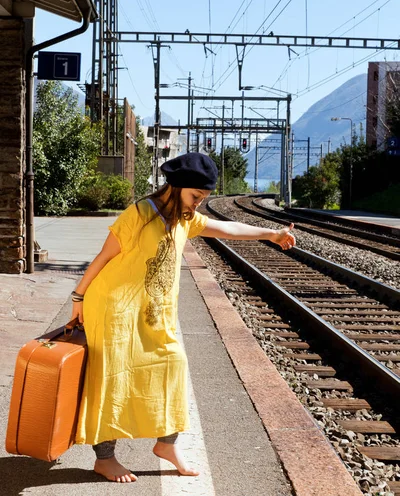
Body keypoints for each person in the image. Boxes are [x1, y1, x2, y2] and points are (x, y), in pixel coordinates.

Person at [71, 152, 295, 483]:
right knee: (113, 379)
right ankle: (105, 459)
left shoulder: (184, 219)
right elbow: (104, 257)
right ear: (175, 187)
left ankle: (167, 445)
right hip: (114, 309)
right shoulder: (141, 214)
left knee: (173, 368)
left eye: (203, 199)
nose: (198, 205)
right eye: (195, 197)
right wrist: (78, 298)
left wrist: (270, 234)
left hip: (155, 315)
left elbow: (227, 228)